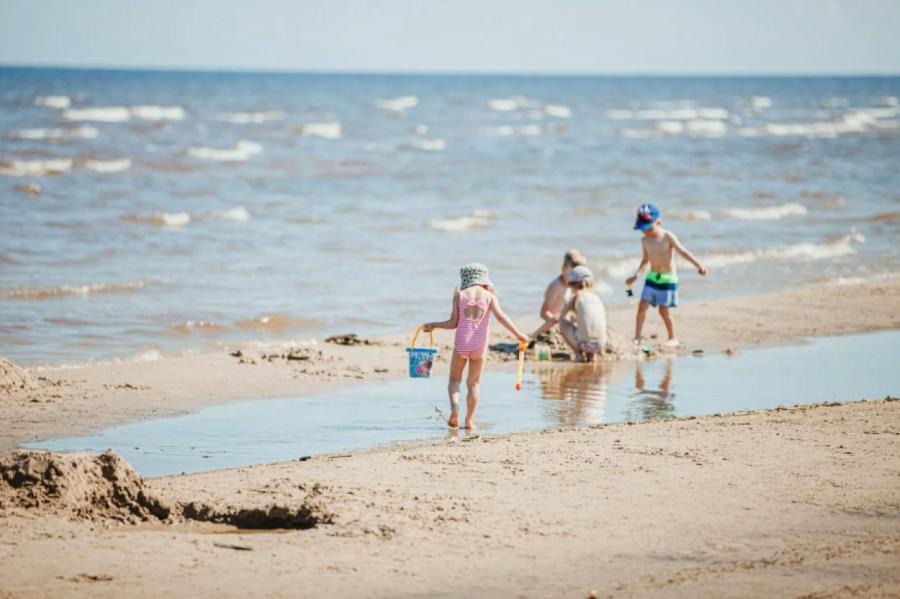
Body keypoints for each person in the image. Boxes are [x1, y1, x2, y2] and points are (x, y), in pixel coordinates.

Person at [423, 263, 529, 429]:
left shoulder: (459, 296)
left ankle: (455, 408)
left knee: (454, 380)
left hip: (462, 343)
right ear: (484, 279)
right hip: (479, 345)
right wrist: (518, 334)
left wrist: (434, 325)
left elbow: (453, 323)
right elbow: (501, 317)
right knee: (474, 384)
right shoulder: (489, 296)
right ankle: (469, 421)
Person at [624, 203, 708, 348]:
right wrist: (636, 276)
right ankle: (637, 337)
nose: (646, 232)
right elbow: (645, 261)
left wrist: (698, 264)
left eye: (649, 228)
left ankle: (673, 337)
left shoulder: (667, 236)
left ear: (658, 222)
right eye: (643, 229)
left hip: (668, 278)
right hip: (652, 277)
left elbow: (683, 252)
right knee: (642, 307)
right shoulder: (645, 240)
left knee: (663, 310)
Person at [531, 265, 608, 362]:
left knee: (563, 323)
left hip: (585, 345)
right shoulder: (596, 298)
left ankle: (579, 355)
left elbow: (556, 319)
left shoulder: (575, 297)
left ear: (571, 284)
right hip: (601, 344)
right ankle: (592, 356)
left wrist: (534, 335)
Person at [538, 249, 587, 325]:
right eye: (571, 274)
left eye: (578, 275)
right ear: (563, 268)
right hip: (553, 325)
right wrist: (559, 322)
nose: (574, 278)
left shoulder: (572, 287)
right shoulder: (556, 286)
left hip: (564, 323)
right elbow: (544, 313)